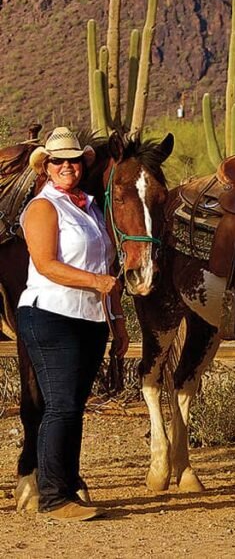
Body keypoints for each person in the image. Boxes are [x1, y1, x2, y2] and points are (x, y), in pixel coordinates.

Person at [18, 127, 128, 521]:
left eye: (74, 161)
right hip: (50, 313)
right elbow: (46, 264)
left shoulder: (90, 208)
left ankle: (66, 486)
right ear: (46, 167)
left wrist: (117, 322)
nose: (68, 167)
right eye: (59, 161)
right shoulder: (43, 208)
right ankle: (52, 497)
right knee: (61, 405)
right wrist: (97, 283)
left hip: (89, 317)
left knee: (73, 406)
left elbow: (107, 266)